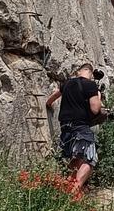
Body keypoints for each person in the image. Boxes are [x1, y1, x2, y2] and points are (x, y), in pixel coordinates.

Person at [45, 63, 105, 197]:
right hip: (81, 126)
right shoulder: (90, 85)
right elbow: (95, 109)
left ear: (78, 72)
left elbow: (51, 99)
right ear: (89, 72)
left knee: (77, 159)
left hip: (65, 128)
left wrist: (49, 105)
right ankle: (73, 192)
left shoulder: (67, 83)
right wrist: (98, 97)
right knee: (90, 159)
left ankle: (64, 188)